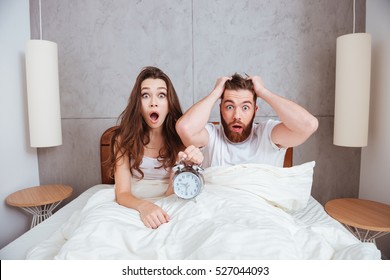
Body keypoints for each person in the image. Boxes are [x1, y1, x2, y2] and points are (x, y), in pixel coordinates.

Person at [107, 66, 203, 229]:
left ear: (169, 102)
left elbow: (172, 193)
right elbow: (122, 193)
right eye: (146, 95)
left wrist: (180, 169)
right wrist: (144, 206)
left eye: (161, 95)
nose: (153, 103)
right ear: (138, 102)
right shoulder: (122, 140)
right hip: (134, 201)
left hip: (171, 198)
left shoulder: (182, 138)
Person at [176, 73, 318, 168]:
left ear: (255, 111)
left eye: (245, 107)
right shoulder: (210, 135)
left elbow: (308, 125)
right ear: (220, 109)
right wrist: (215, 92)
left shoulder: (268, 135)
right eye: (230, 106)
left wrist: (263, 91)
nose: (237, 115)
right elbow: (184, 128)